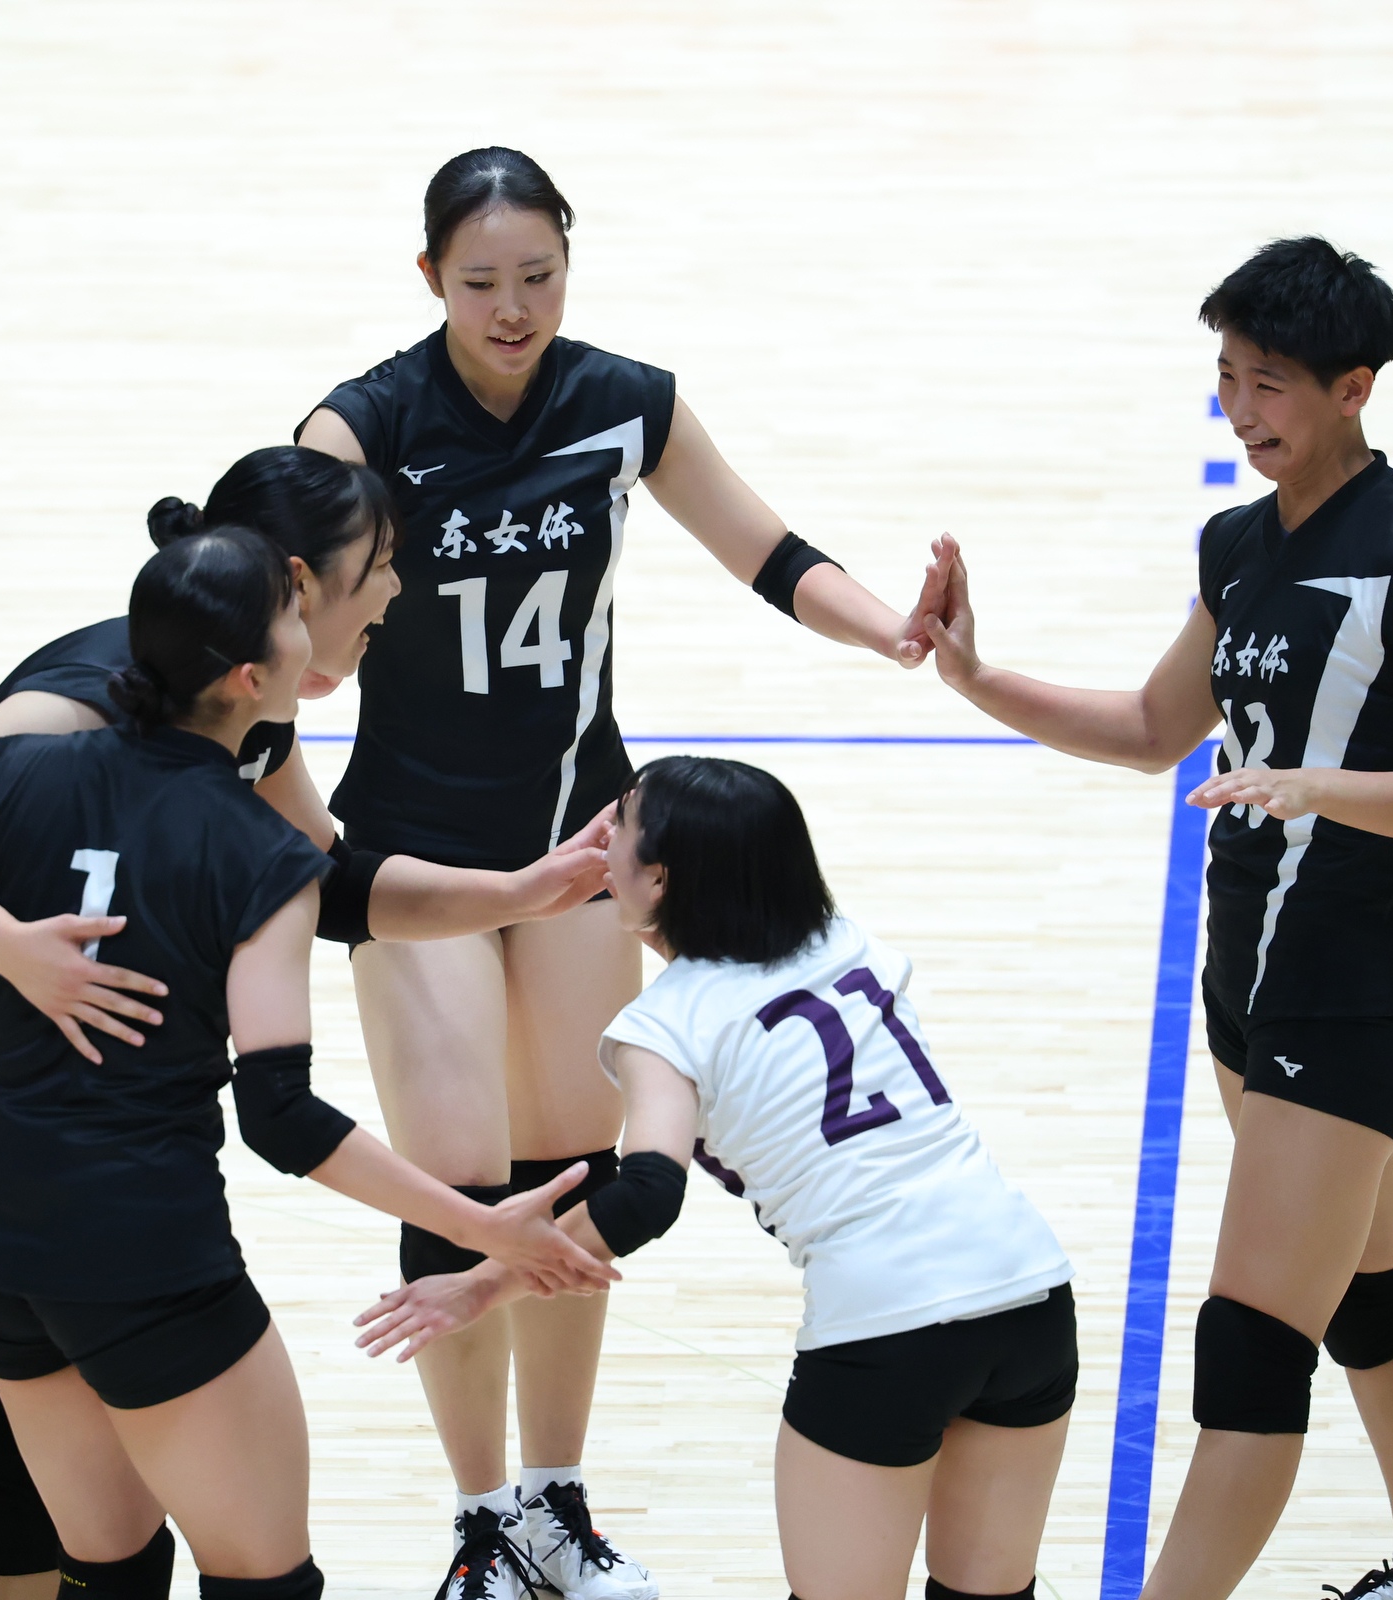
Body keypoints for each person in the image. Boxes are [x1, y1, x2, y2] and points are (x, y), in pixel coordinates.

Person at [0, 447, 611, 1599]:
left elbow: (325, 882)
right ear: (293, 590)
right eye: (380, 567)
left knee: (27, 1479)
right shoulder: (75, 711)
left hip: (31, 1112)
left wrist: (513, 893)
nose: (398, 592)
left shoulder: (242, 719)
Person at [294, 145, 946, 1600]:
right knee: (461, 1180)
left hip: (588, 838)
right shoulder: (364, 426)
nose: (513, 308)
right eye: (480, 282)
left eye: (539, 276)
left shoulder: (624, 402)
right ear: (428, 278)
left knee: (568, 1173)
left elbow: (767, 548)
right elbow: (277, 602)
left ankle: (554, 1499)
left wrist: (889, 627)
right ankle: (479, 1523)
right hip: (413, 854)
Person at [917, 238, 1393, 1600]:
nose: (1243, 410)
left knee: (1251, 1348)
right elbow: (1150, 726)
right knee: (1372, 1293)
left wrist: (1319, 786)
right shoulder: (1239, 546)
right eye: (1228, 378)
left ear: (1354, 389)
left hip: (1356, 993)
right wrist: (978, 678)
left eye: (1271, 383)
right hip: (1247, 983)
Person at [353, 756, 1077, 1600]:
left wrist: (481, 1285)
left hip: (886, 1328)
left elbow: (647, 1195)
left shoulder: (666, 1025)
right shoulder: (848, 942)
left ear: (659, 878)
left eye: (619, 825)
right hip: (1031, 1294)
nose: (600, 839)